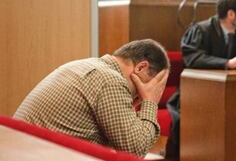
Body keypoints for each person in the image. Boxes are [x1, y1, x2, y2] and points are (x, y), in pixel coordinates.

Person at [14, 39, 170, 157]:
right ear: (141, 67)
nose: (145, 93)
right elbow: (134, 152)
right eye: (153, 85)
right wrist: (151, 102)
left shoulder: (90, 66)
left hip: (22, 151)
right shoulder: (110, 80)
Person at [165, 0, 236, 159]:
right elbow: (192, 58)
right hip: (194, 96)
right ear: (231, 14)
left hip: (230, 95)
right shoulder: (200, 30)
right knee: (184, 122)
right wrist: (226, 63)